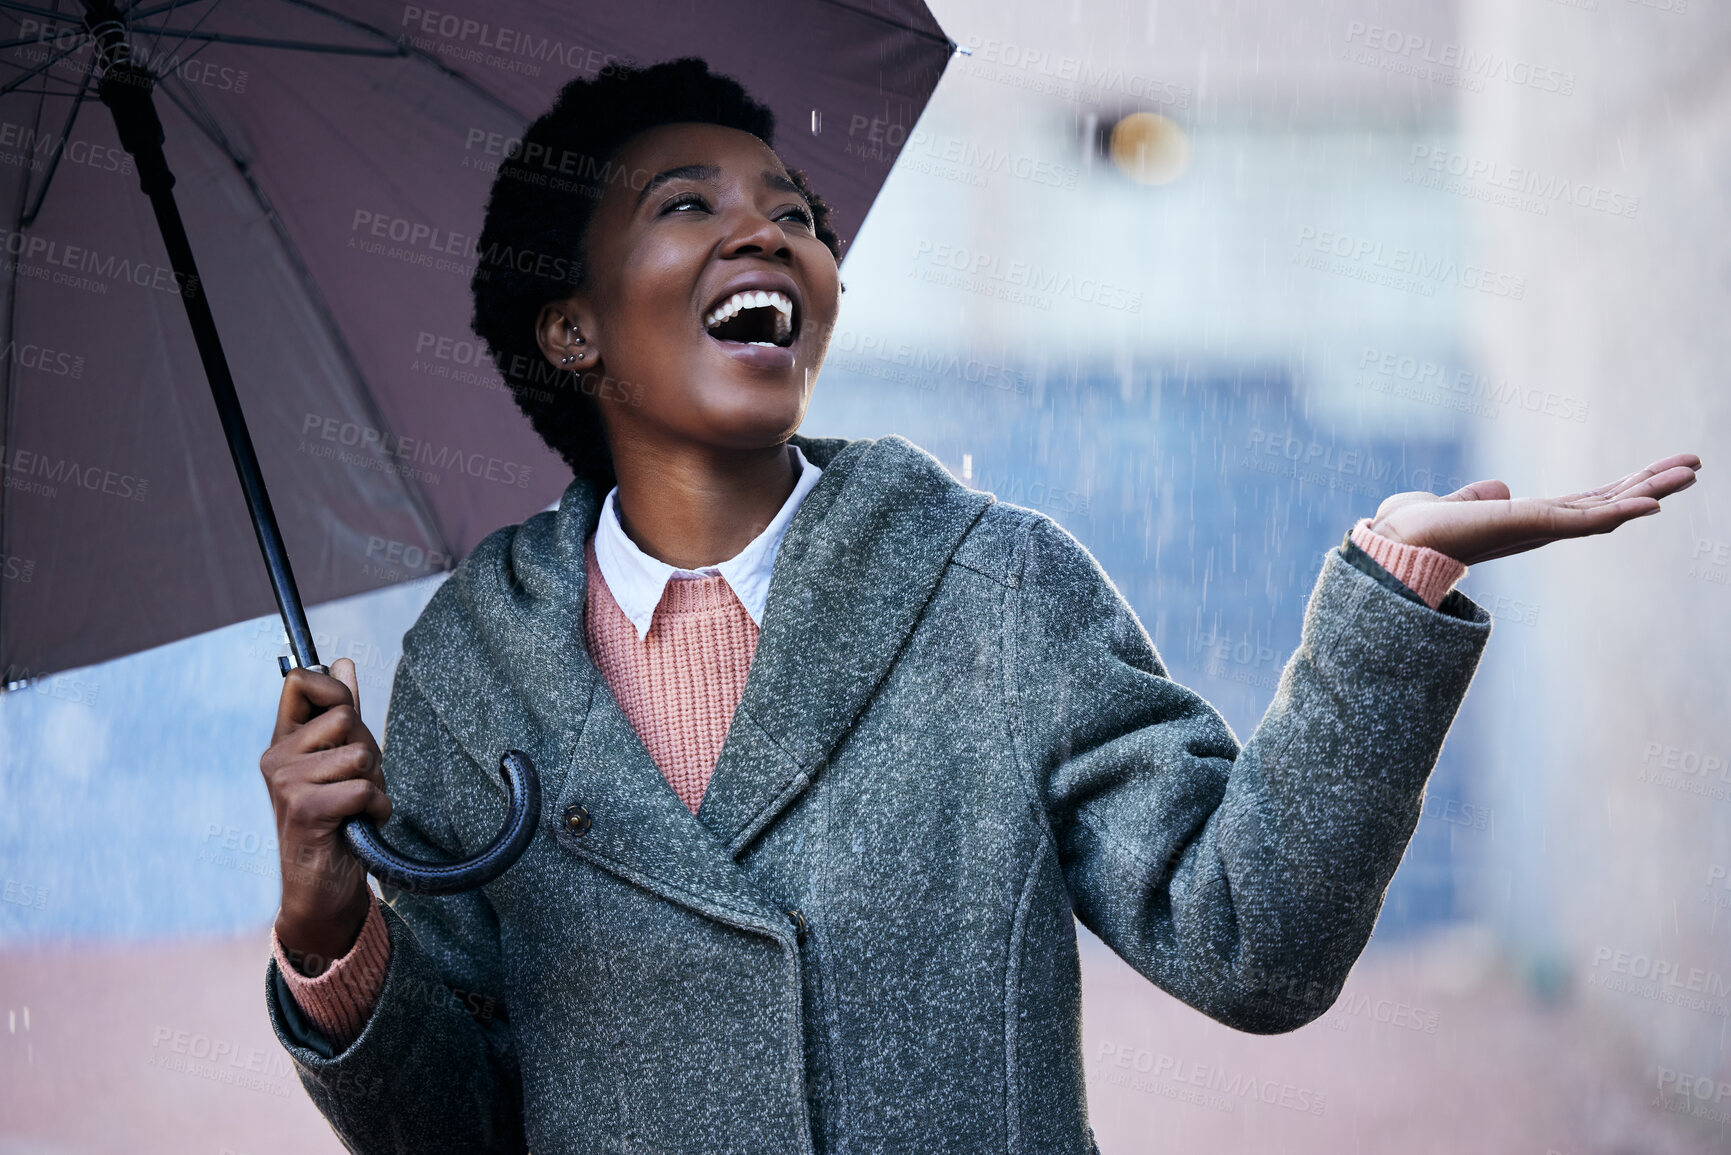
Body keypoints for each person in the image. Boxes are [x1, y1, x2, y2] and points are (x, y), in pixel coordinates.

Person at [257, 58, 1699, 1155]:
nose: (768, 236)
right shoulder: (474, 659)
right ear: (570, 327)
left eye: (797, 217)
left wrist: (1394, 583)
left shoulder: (992, 588)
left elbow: (1250, 940)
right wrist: (330, 927)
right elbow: (451, 1129)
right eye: (687, 205)